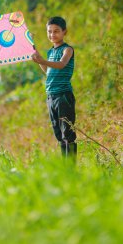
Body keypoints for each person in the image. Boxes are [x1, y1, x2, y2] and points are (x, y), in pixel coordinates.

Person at [32, 16, 77, 158]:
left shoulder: (67, 50)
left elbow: (62, 64)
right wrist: (33, 47)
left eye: (56, 31)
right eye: (49, 32)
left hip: (63, 96)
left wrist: (43, 60)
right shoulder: (50, 52)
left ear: (65, 32)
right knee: (58, 134)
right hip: (51, 97)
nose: (52, 35)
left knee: (67, 134)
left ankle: (71, 169)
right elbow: (47, 70)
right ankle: (65, 170)